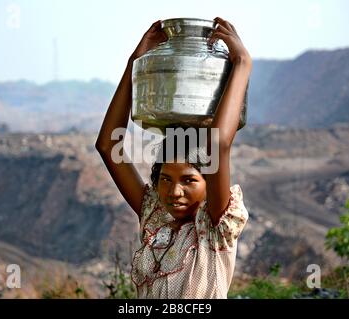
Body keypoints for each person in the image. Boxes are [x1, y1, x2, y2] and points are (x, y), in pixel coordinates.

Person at [95, 17, 252, 298]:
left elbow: (217, 143)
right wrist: (135, 64)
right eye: (165, 179)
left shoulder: (214, 227)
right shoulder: (154, 214)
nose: (174, 192)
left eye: (189, 180)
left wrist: (241, 63)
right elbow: (108, 146)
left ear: (210, 184)